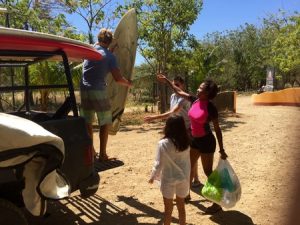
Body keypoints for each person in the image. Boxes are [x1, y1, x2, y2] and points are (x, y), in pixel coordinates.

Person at [157, 73, 228, 214]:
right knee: (187, 168)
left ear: (207, 93)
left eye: (201, 88)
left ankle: (218, 202)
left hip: (207, 142)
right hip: (194, 140)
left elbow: (218, 130)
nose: (197, 89)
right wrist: (166, 80)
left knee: (208, 172)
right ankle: (185, 195)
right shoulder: (194, 100)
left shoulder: (211, 107)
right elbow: (178, 91)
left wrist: (221, 149)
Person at [80, 28, 132, 161]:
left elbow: (99, 59)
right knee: (105, 121)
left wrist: (109, 52)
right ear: (110, 42)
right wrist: (129, 84)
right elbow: (118, 79)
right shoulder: (110, 56)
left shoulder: (89, 50)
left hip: (84, 89)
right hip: (98, 90)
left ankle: (91, 152)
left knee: (88, 122)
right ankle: (102, 155)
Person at [144, 76, 201, 187]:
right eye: (173, 84)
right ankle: (192, 178)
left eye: (177, 85)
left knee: (190, 154)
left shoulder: (184, 97)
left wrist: (154, 117)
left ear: (182, 85)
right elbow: (172, 113)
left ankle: (195, 179)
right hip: (177, 128)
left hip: (187, 128)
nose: (174, 86)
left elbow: (173, 112)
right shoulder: (173, 96)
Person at [149, 115, 190, 225]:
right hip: (183, 178)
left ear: (168, 127)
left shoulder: (163, 144)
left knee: (168, 210)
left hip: (168, 178)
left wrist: (153, 176)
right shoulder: (186, 143)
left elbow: (158, 163)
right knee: (181, 207)